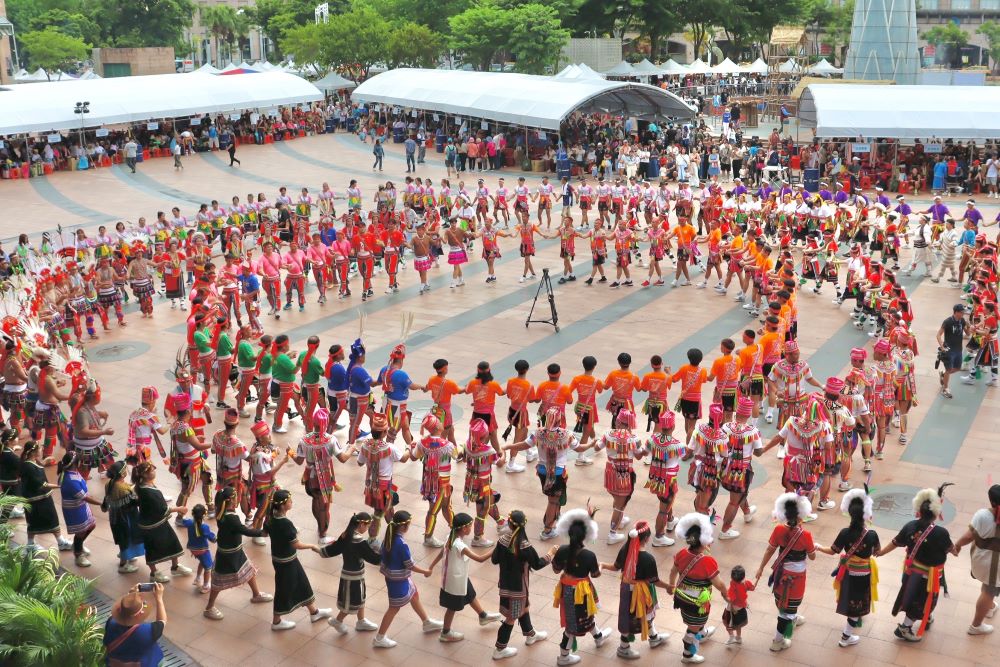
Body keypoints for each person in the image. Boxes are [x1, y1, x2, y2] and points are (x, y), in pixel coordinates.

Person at [878, 484, 954, 641]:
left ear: (920, 510)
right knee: (921, 599)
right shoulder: (941, 533)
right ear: (935, 513)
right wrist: (958, 547)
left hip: (911, 571)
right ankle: (904, 628)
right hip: (929, 577)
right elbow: (952, 550)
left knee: (913, 595)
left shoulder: (910, 526)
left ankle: (927, 616)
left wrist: (881, 553)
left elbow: (895, 542)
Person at [814, 488, 880, 647]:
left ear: (850, 513)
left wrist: (818, 546)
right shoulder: (872, 534)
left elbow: (832, 551)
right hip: (864, 574)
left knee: (851, 598)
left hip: (848, 573)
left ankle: (853, 621)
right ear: (865, 514)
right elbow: (876, 551)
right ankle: (846, 636)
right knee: (858, 603)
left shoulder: (845, 532)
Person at [427, 512, 503, 642]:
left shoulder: (449, 537)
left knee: (470, 594)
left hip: (456, 576)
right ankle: (445, 632)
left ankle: (483, 616)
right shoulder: (459, 545)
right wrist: (497, 549)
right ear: (463, 528)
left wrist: (431, 566)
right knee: (452, 607)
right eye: (470, 526)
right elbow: (480, 559)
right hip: (455, 581)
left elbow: (442, 552)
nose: (471, 528)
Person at [599, 520, 670, 660]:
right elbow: (654, 580)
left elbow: (615, 566)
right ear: (647, 538)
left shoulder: (625, 549)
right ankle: (623, 648)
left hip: (626, 589)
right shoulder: (648, 559)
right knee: (637, 616)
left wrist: (603, 565)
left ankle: (654, 637)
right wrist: (668, 586)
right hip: (642, 591)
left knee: (630, 615)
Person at [754, 493, 816, 652]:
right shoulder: (806, 535)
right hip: (798, 576)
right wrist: (813, 547)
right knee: (787, 609)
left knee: (782, 600)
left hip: (780, 573)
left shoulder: (779, 529)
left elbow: (770, 550)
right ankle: (778, 640)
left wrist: (761, 567)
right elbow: (812, 556)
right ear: (802, 515)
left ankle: (792, 616)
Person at [491, 509, 554, 660]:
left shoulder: (502, 540)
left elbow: (494, 560)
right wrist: (551, 554)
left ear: (510, 524)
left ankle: (530, 634)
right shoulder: (524, 545)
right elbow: (537, 564)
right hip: (518, 589)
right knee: (511, 618)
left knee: (524, 608)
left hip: (505, 585)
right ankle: (500, 649)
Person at [552, 506, 612, 665]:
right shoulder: (589, 555)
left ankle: (598, 638)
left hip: (567, 590)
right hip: (582, 592)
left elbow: (556, 569)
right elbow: (595, 574)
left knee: (582, 617)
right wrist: (601, 566)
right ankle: (563, 656)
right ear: (584, 536)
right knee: (574, 622)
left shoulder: (562, 550)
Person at [265, 489, 332, 630]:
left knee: (302, 582)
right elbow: (296, 544)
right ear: (283, 505)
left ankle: (314, 612)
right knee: (283, 589)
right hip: (286, 561)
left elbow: (266, 532)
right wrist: (312, 546)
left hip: (282, 560)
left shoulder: (271, 518)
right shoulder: (285, 524)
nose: (292, 502)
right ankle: (276, 622)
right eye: (289, 501)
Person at [374, 510, 443, 648]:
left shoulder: (388, 538)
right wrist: (426, 571)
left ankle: (426, 622)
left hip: (394, 578)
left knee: (414, 593)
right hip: (398, 580)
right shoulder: (401, 544)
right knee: (394, 608)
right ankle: (379, 637)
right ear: (404, 526)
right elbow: (410, 565)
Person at [202, 486, 272, 621]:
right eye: (235, 498)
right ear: (230, 501)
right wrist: (261, 532)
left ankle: (256, 594)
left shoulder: (221, 512)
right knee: (218, 583)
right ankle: (209, 608)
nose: (238, 499)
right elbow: (243, 530)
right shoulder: (231, 518)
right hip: (228, 554)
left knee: (249, 570)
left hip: (234, 550)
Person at [667, 512, 728, 664]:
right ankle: (688, 654)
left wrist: (671, 585)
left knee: (693, 621)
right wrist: (725, 593)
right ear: (704, 541)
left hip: (682, 598)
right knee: (692, 627)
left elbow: (673, 571)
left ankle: (702, 632)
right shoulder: (708, 561)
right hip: (698, 603)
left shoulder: (681, 553)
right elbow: (719, 583)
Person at [316, 511, 382, 634]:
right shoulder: (359, 542)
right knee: (352, 602)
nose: (367, 529)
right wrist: (386, 555)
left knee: (361, 597)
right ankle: (337, 621)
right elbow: (373, 558)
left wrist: (320, 551)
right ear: (361, 524)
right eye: (367, 526)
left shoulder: (345, 535)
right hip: (354, 577)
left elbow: (334, 549)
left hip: (349, 574)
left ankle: (361, 621)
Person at [952, 483, 1000, 635]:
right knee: (989, 590)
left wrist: (958, 545)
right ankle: (976, 626)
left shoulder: (982, 515)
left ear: (991, 501)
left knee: (987, 588)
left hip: (981, 560)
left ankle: (989, 607)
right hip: (996, 566)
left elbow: (968, 536)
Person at [133, 462, 192, 583]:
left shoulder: (144, 486)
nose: (155, 470)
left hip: (158, 522)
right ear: (144, 475)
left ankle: (175, 567)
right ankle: (154, 573)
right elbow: (161, 509)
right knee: (152, 548)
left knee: (172, 542)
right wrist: (179, 509)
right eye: (151, 470)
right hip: (151, 525)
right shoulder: (147, 491)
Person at [103, 584, 167, 667]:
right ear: (140, 614)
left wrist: (130, 597)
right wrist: (159, 598)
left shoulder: (111, 622)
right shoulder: (148, 630)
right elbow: (162, 621)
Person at [57, 451, 101, 567]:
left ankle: (78, 545)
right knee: (80, 533)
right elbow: (85, 497)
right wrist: (101, 503)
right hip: (75, 510)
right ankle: (78, 554)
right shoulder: (70, 481)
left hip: (81, 506)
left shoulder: (71, 472)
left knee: (91, 525)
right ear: (77, 463)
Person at [102, 460, 145, 573]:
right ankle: (123, 565)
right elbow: (134, 501)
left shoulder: (110, 483)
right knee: (125, 538)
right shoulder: (122, 489)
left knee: (124, 538)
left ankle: (127, 555)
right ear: (122, 474)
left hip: (116, 516)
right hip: (126, 518)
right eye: (125, 469)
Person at [182, 503, 216, 594]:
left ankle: (197, 578)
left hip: (193, 549)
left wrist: (183, 512)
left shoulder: (189, 522)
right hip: (202, 550)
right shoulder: (204, 527)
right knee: (208, 568)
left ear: (193, 514)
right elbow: (212, 538)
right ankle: (205, 586)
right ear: (204, 514)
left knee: (202, 562)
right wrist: (215, 538)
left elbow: (183, 520)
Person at [936, 303, 967, 398]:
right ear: (956, 312)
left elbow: (968, 333)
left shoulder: (962, 321)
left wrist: (969, 327)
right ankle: (946, 389)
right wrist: (942, 347)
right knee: (949, 369)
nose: (963, 314)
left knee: (957, 368)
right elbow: (938, 335)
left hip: (958, 349)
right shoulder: (948, 322)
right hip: (949, 350)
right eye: (962, 312)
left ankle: (943, 376)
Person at [723, 566, 754, 645]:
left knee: (727, 622)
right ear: (743, 576)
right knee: (738, 624)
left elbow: (731, 599)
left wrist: (724, 596)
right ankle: (738, 638)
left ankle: (731, 637)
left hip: (732, 609)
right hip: (742, 607)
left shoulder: (733, 585)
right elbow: (752, 587)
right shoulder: (746, 583)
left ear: (732, 577)